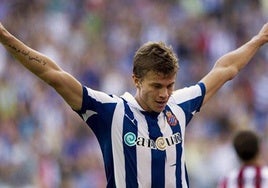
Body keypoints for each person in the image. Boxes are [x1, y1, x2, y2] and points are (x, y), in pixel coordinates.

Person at [0, 20, 268, 188]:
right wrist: (6, 38)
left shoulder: (180, 105)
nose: (165, 94)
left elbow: (226, 69)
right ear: (136, 80)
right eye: (156, 86)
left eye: (170, 85)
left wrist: (259, 39)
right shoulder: (111, 111)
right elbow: (53, 75)